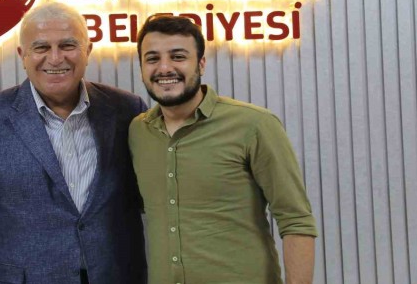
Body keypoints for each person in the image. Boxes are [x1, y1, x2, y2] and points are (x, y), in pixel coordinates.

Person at [0, 2, 147, 284]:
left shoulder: (127, 109)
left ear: (87, 51)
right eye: (41, 48)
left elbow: (153, 198)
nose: (56, 58)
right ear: (22, 56)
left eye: (68, 45)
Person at [129, 15, 317, 284]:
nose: (165, 67)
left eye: (178, 56)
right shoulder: (138, 132)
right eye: (152, 58)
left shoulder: (254, 125)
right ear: (141, 68)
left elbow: (296, 219)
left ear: (201, 63)